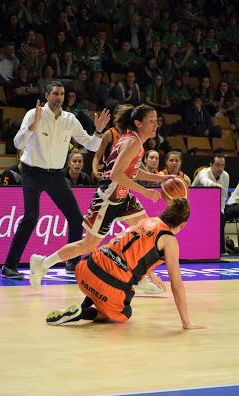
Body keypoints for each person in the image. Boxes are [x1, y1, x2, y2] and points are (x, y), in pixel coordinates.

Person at [30, 104, 173, 287]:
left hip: (122, 195)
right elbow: (116, 174)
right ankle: (43, 263)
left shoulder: (135, 141)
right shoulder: (132, 142)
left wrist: (161, 178)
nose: (156, 125)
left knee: (146, 231)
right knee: (88, 245)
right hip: (108, 197)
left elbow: (132, 172)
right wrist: (145, 191)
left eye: (156, 121)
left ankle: (141, 276)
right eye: (151, 121)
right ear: (138, 123)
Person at [1, 81, 110, 279]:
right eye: (55, 93)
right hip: (32, 172)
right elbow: (18, 143)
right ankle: (9, 266)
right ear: (47, 96)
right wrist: (32, 127)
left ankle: (72, 263)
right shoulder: (34, 114)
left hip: (56, 175)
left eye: (62, 94)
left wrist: (98, 131)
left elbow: (91, 145)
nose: (59, 97)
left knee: (77, 219)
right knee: (31, 217)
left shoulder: (70, 119)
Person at [46, 198, 204, 330]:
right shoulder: (170, 240)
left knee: (107, 277)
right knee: (124, 313)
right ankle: (83, 313)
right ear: (183, 225)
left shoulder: (146, 221)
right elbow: (177, 285)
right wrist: (186, 323)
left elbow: (134, 251)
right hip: (109, 285)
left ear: (164, 213)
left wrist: (151, 274)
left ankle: (82, 305)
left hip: (86, 268)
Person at [192, 153, 229, 254]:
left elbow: (223, 197)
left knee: (221, 217)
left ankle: (220, 250)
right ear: (211, 164)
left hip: (211, 208)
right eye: (217, 164)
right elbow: (205, 181)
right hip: (195, 205)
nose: (220, 168)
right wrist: (214, 185)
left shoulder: (225, 176)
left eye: (222, 165)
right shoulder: (203, 173)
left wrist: (220, 211)